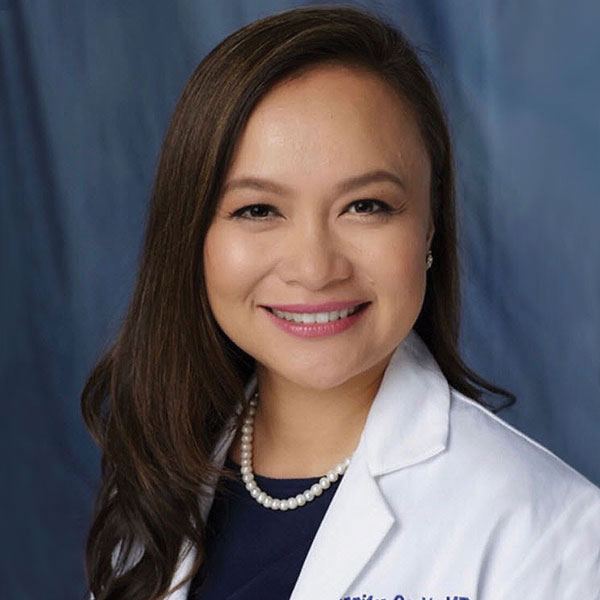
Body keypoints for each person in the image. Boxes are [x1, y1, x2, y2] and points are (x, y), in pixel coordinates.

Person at [82, 5, 600, 600]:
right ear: (193, 235)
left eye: (365, 206)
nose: (314, 269)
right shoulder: (156, 487)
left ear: (429, 226)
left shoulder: (553, 536)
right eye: (258, 209)